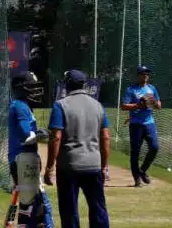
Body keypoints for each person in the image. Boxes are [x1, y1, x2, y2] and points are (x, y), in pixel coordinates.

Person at [44, 70, 111, 228]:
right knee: (98, 209)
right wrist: (104, 166)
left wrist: (49, 167)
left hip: (69, 166)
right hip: (93, 165)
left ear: (67, 84)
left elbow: (56, 137)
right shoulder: (98, 106)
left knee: (69, 210)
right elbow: (106, 137)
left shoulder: (61, 105)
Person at [8, 72, 54, 228]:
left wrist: (40, 134)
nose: (34, 91)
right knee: (38, 205)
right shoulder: (20, 106)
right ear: (20, 88)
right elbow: (26, 136)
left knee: (31, 206)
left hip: (24, 161)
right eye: (31, 87)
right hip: (23, 162)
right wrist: (42, 135)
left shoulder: (22, 105)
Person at [121, 65, 161, 187]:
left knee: (154, 147)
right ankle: (136, 178)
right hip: (136, 125)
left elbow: (159, 104)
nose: (146, 76)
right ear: (138, 75)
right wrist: (139, 105)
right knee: (135, 152)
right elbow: (124, 106)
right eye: (143, 73)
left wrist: (154, 103)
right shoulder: (131, 89)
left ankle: (142, 170)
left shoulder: (152, 88)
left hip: (149, 123)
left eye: (147, 74)